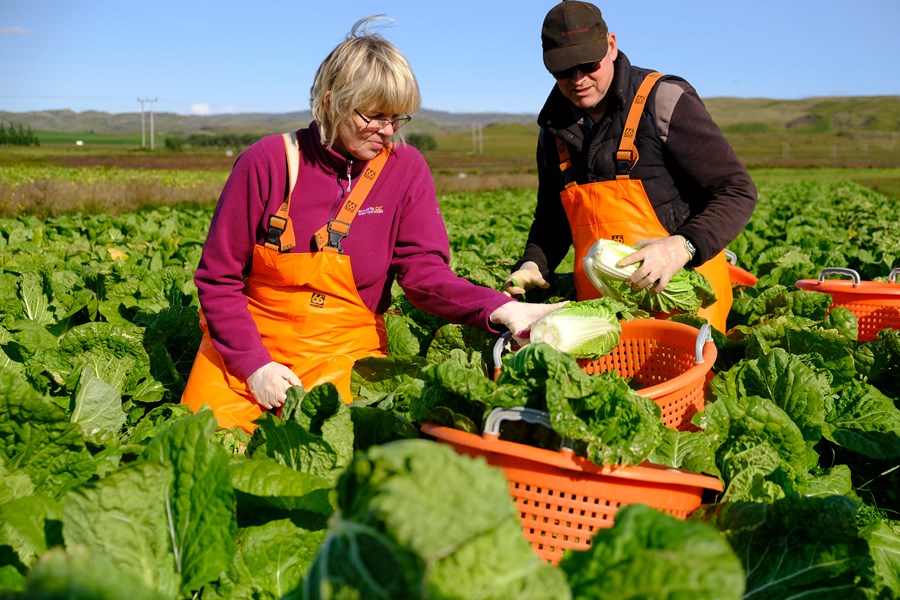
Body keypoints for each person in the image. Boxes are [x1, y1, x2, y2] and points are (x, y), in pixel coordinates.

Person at [181, 16, 563, 432]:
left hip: (342, 354)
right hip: (243, 352)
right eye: (376, 116)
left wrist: (501, 308)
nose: (388, 132)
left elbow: (424, 274)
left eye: (398, 118)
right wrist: (255, 368)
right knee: (203, 443)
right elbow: (218, 279)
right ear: (331, 101)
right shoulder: (267, 162)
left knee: (333, 451)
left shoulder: (405, 169)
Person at [504, 0, 757, 332]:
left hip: (683, 308)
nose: (578, 79)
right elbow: (552, 219)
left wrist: (683, 245)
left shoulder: (664, 100)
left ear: (611, 46)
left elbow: (736, 190)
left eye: (588, 64)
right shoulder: (552, 130)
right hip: (603, 319)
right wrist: (534, 263)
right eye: (563, 70)